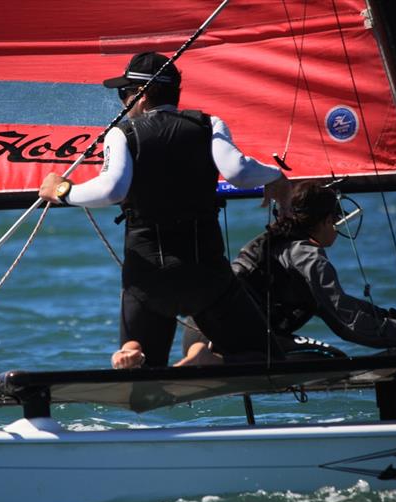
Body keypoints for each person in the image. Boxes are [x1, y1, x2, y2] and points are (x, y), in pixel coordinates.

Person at [39, 51, 286, 368]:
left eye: (124, 93)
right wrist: (277, 177)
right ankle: (206, 360)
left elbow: (113, 189)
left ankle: (132, 353)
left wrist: (63, 191)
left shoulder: (123, 133)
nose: (122, 102)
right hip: (205, 272)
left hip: (148, 278)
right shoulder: (208, 124)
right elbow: (237, 172)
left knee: (142, 383)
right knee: (269, 362)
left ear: (140, 97)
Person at [181, 180, 396, 362]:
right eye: (336, 220)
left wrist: (394, 319)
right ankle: (213, 359)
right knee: (332, 359)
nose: (337, 228)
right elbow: (347, 324)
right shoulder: (309, 257)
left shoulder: (274, 241)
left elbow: (344, 305)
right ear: (326, 220)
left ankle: (200, 355)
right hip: (231, 340)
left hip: (198, 329)